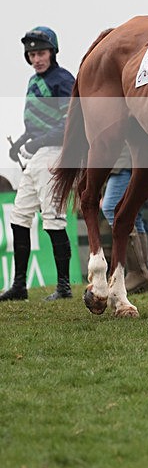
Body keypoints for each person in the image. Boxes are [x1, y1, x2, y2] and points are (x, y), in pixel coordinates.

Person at [1, 27, 75, 302]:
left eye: (41, 53)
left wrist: (36, 141)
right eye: (32, 54)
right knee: (19, 216)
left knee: (53, 218)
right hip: (36, 155)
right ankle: (19, 286)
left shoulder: (63, 80)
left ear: (52, 52)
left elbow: (69, 122)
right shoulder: (34, 81)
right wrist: (21, 142)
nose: (37, 59)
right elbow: (35, 123)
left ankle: (64, 287)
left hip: (55, 153)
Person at [100, 145, 148, 294]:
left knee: (112, 208)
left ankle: (138, 273)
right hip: (133, 160)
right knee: (134, 216)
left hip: (124, 161)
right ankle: (144, 279)